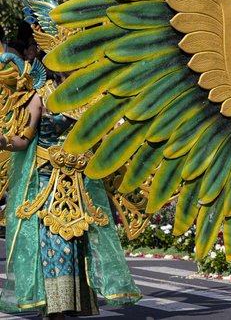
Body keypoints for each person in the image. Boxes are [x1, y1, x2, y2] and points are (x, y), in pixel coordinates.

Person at [0, 54, 141, 318]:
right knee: (53, 247)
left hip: (79, 188)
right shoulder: (41, 95)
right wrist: (4, 141)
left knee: (75, 249)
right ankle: (55, 312)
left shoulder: (88, 97)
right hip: (47, 191)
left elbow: (102, 137)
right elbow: (23, 140)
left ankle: (65, 309)